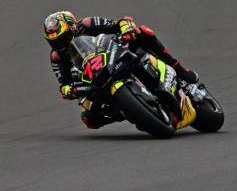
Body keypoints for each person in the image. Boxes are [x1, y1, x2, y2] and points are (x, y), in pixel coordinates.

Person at [43, 11, 199, 129]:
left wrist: (126, 28)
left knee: (142, 33)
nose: (59, 44)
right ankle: (126, 111)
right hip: (93, 80)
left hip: (112, 54)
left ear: (72, 27)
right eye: (54, 42)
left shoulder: (87, 24)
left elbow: (118, 23)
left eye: (62, 38)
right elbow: (64, 82)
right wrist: (68, 90)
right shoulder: (57, 57)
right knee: (89, 120)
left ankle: (179, 70)